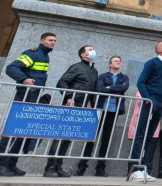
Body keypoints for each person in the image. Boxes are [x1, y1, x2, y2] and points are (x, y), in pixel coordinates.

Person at [0, 32, 56, 177]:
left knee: (22, 132)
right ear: (42, 41)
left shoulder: (45, 56)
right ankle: (1, 165)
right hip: (23, 97)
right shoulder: (33, 53)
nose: (53, 43)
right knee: (12, 130)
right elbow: (11, 68)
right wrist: (24, 80)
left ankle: (11, 164)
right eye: (50, 40)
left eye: (54, 41)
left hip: (33, 98)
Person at [44, 45, 99, 178]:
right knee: (60, 136)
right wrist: (69, 97)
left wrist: (94, 106)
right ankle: (50, 167)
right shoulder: (77, 67)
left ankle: (58, 166)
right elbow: (62, 82)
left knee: (68, 137)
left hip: (82, 107)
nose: (93, 51)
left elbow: (94, 91)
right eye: (90, 49)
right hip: (71, 105)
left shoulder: (94, 71)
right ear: (83, 55)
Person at [128, 41, 162, 182]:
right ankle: (134, 170)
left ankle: (144, 168)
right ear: (159, 50)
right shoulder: (151, 63)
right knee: (140, 134)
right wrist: (147, 98)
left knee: (150, 137)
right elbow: (141, 82)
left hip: (161, 103)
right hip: (150, 102)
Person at [95, 56, 129, 177]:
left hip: (114, 110)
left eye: (119, 61)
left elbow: (124, 87)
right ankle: (82, 166)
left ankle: (100, 168)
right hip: (101, 109)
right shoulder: (103, 76)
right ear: (110, 64)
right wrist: (115, 90)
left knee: (106, 140)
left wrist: (110, 88)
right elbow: (100, 89)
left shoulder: (124, 77)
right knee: (92, 138)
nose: (118, 62)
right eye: (116, 61)